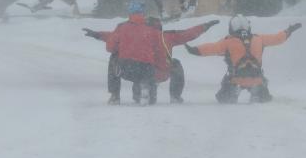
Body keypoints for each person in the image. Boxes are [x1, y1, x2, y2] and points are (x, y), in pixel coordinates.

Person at [84, 17, 221, 103]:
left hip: (138, 71)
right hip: (161, 73)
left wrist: (97, 35)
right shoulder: (168, 36)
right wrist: (205, 26)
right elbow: (188, 34)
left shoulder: (140, 36)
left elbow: (113, 37)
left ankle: (116, 95)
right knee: (176, 63)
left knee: (119, 61)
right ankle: (175, 96)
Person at [184, 14, 301, 103]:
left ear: (231, 27)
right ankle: (258, 92)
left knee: (222, 99)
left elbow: (211, 48)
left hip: (236, 78)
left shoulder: (228, 41)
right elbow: (277, 38)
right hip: (257, 78)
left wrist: (193, 50)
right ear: (248, 26)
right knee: (265, 97)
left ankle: (232, 92)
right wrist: (289, 30)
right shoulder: (259, 38)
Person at [84, 0, 165, 105]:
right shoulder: (152, 29)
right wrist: (98, 35)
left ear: (130, 12)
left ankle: (115, 96)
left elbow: (110, 47)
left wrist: (122, 47)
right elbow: (159, 49)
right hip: (147, 69)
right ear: (143, 13)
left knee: (114, 58)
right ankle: (147, 91)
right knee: (147, 63)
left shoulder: (122, 28)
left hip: (127, 68)